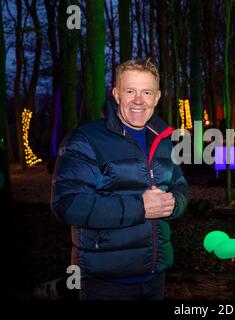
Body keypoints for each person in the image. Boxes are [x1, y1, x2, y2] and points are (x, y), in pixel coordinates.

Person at [51, 59, 188, 300]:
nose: (138, 100)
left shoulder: (164, 139)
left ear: (157, 97)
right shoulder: (85, 139)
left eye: (147, 92)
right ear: (116, 94)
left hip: (155, 276)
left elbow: (179, 186)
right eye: (130, 91)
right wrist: (141, 207)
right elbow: (67, 204)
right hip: (105, 283)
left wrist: (174, 204)